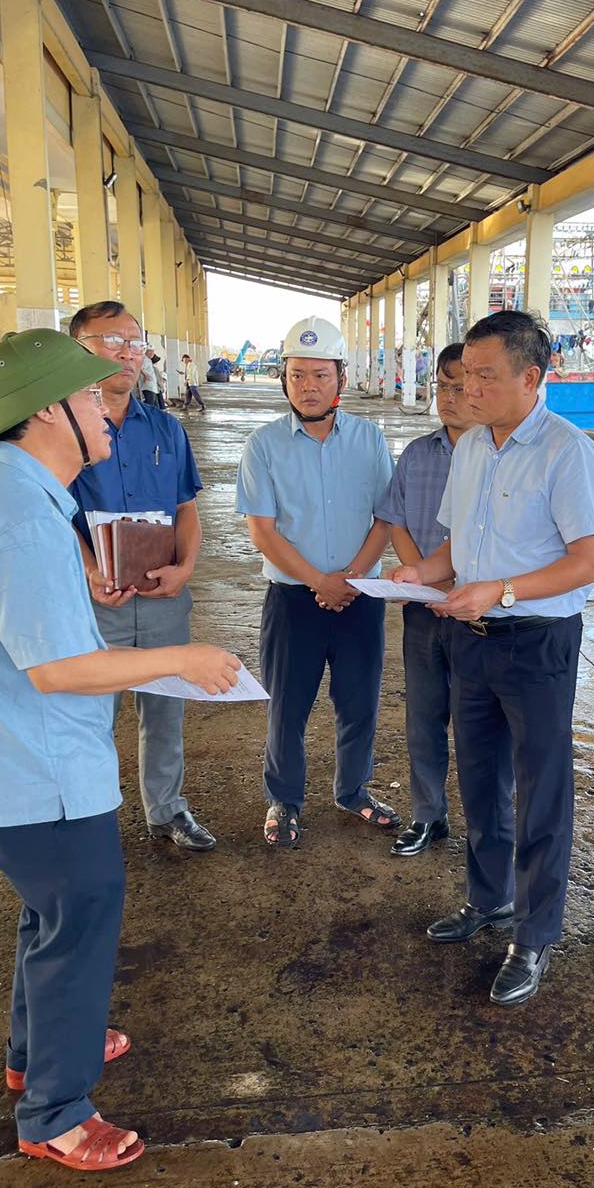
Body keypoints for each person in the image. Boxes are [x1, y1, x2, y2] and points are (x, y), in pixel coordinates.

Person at [0, 330, 239, 1172]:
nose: (114, 410)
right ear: (48, 414)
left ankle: (36, 1053)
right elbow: (60, 667)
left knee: (53, 914)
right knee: (82, 916)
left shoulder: (19, 502)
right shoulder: (21, 520)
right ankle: (55, 1112)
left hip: (23, 766)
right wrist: (184, 656)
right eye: (97, 397)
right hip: (37, 773)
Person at [393, 310, 594, 1007]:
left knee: (542, 791)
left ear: (531, 378)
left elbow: (586, 562)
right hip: (470, 638)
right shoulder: (475, 447)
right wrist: (423, 573)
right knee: (479, 780)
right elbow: (456, 546)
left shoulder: (567, 451)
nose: (470, 388)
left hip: (536, 643)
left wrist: (505, 589)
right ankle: (489, 900)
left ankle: (537, 934)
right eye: (463, 376)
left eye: (486, 376)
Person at [237, 314, 398, 849]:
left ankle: (353, 790)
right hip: (293, 600)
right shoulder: (262, 446)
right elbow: (263, 531)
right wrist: (318, 582)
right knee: (288, 704)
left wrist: (351, 578)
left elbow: (384, 518)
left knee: (359, 701)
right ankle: (284, 798)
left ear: (341, 379)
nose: (309, 386)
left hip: (361, 597)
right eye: (298, 375)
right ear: (283, 379)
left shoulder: (370, 439)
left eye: (320, 375)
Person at [68, 300, 217, 852]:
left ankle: (167, 809)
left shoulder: (165, 428)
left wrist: (186, 567)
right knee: (89, 715)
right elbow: (55, 512)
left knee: (164, 708)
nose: (128, 354)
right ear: (78, 348)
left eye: (135, 342)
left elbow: (186, 509)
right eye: (113, 341)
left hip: (160, 595)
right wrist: (88, 571)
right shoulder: (65, 428)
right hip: (96, 602)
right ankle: (88, 819)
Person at [375, 343, 473, 857]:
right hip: (423, 612)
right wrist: (424, 584)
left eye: (460, 386)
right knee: (424, 716)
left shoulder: (494, 456)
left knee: (479, 722)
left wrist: (449, 588)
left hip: (481, 612)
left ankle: (485, 825)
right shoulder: (417, 454)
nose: (450, 397)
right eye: (442, 385)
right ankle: (427, 815)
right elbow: (397, 524)